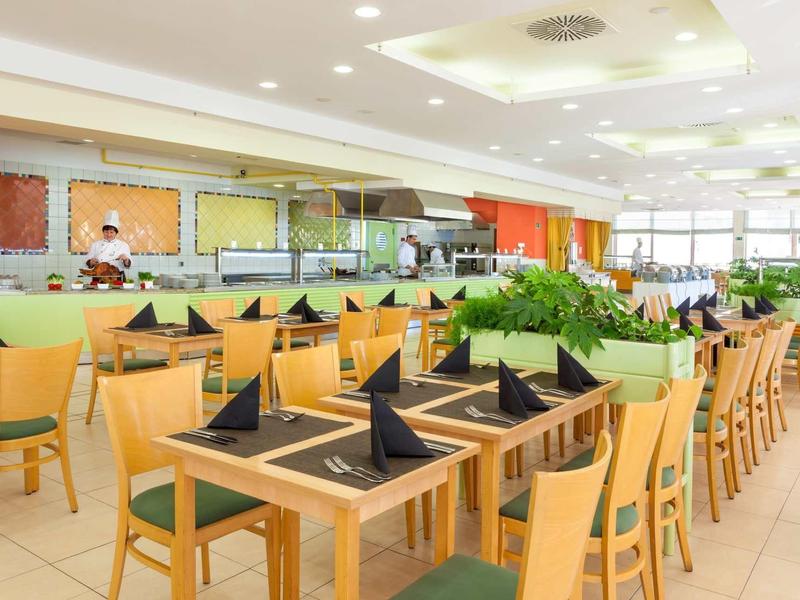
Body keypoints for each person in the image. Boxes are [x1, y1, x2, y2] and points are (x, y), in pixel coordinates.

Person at [86, 210, 132, 276]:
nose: (109, 235)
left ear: (116, 233)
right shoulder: (95, 244)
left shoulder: (123, 245)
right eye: (106, 232)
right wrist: (91, 262)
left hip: (117, 276)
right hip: (99, 275)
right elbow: (87, 261)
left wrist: (126, 259)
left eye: (111, 232)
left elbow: (128, 265)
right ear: (103, 232)